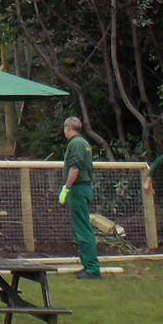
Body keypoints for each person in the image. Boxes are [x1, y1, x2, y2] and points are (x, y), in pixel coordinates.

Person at [60, 117, 102, 279]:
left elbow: (75, 168)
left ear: (68, 127)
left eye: (65, 128)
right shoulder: (83, 143)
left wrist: (66, 188)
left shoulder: (76, 144)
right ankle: (88, 265)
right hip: (82, 189)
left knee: (83, 229)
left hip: (78, 189)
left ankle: (92, 269)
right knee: (82, 227)